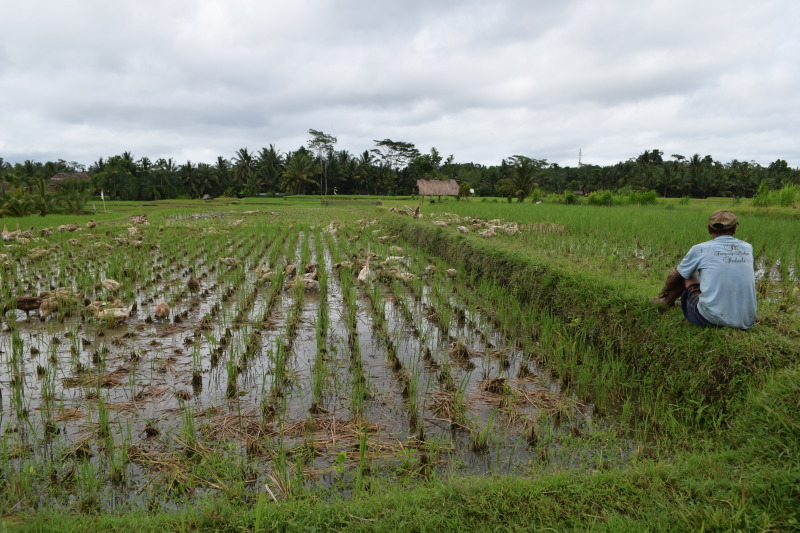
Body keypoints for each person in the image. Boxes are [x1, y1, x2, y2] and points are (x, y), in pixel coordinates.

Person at [655, 209, 756, 329]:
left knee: (687, 273)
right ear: (734, 229)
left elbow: (673, 278)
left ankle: (666, 302)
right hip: (747, 320)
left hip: (711, 320)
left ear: (709, 229)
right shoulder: (747, 248)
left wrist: (663, 291)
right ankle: (677, 302)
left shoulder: (700, 249)